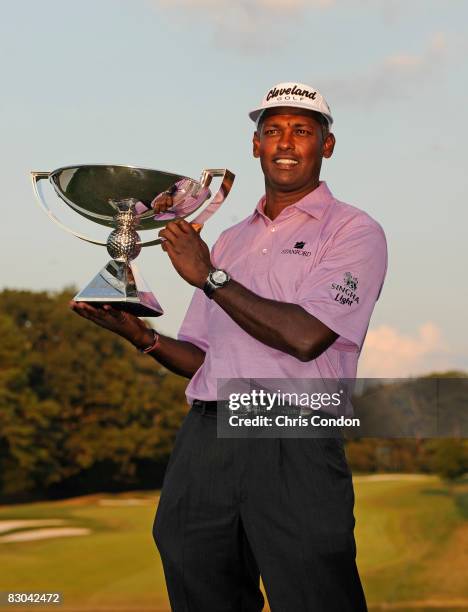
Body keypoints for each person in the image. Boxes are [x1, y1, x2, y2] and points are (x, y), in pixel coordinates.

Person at [70, 81, 387, 611]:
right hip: (209, 431)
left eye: (302, 131)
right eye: (273, 131)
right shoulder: (232, 238)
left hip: (292, 427)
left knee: (312, 588)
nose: (286, 142)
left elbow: (307, 337)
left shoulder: (354, 231)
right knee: (195, 571)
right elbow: (203, 357)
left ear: (326, 146)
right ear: (255, 145)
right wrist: (141, 336)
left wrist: (211, 278)